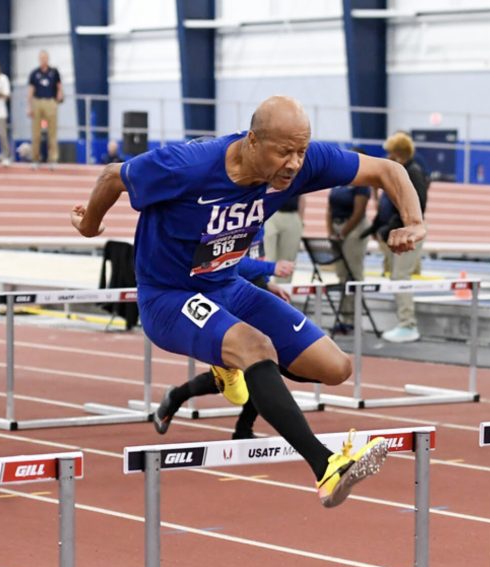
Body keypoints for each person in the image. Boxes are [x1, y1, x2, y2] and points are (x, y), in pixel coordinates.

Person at [70, 95, 426, 508]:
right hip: (171, 297)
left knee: (335, 368)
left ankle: (230, 365)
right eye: (284, 152)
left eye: (301, 152)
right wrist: (90, 225)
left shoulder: (299, 164)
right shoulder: (187, 166)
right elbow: (114, 175)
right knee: (255, 346)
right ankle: (326, 467)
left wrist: (414, 222)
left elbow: (388, 169)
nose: (294, 164)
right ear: (252, 141)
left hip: (229, 286)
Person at [153, 233, 295, 441]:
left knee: (263, 366)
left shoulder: (262, 215)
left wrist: (266, 282)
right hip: (229, 297)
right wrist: (272, 268)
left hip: (253, 296)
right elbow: (230, 263)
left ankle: (243, 429)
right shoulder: (235, 219)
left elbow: (256, 256)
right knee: (241, 370)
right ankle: (177, 396)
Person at [372, 131, 429, 344]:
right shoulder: (400, 171)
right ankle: (404, 322)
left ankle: (408, 324)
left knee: (400, 277)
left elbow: (418, 205)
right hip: (396, 230)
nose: (387, 156)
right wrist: (377, 227)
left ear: (398, 153)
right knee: (395, 276)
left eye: (390, 153)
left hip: (408, 232)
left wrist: (392, 227)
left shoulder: (413, 172)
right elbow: (388, 203)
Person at [325, 149, 371, 335]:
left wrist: (344, 232)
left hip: (354, 228)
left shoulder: (362, 183)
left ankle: (352, 318)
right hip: (336, 227)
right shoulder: (338, 180)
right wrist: (330, 231)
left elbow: (359, 210)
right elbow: (329, 207)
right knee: (342, 275)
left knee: (354, 273)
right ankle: (344, 317)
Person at [27, 50, 63, 169]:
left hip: (50, 101)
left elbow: (59, 86)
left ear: (48, 59)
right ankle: (35, 159)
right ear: (39, 59)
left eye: (45, 58)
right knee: (36, 133)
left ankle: (53, 159)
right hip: (37, 102)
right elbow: (30, 91)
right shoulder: (34, 73)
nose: (43, 60)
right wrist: (29, 106)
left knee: (52, 132)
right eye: (41, 58)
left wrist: (59, 95)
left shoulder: (54, 72)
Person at [263, 195, 305, 284]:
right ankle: (265, 287)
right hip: (271, 213)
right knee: (268, 256)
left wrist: (300, 219)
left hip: (291, 214)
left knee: (288, 259)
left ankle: (284, 291)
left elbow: (302, 196)